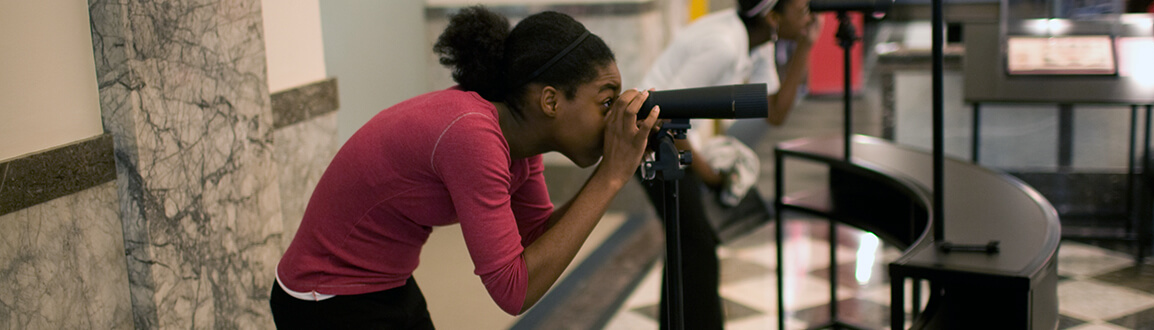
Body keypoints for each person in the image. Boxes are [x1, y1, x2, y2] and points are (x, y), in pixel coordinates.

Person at [269, 6, 660, 329]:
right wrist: (611, 176)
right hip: (326, 297)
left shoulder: (518, 139)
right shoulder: (472, 134)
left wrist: (612, 170)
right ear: (551, 102)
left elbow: (538, 239)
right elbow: (514, 290)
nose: (612, 120)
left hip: (387, 282)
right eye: (606, 103)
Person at [637, 0, 819, 328]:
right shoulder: (722, 45)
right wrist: (709, 176)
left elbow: (775, 111)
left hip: (669, 140)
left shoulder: (759, 39)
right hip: (646, 142)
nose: (809, 15)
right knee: (698, 245)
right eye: (802, 8)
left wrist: (805, 46)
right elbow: (661, 110)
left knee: (690, 243)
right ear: (773, 16)